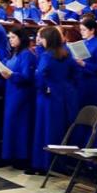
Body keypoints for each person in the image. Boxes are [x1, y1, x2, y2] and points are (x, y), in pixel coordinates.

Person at [30, 26, 78, 173]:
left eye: (42, 38)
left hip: (48, 96)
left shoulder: (46, 55)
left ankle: (44, 163)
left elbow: (40, 74)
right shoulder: (66, 53)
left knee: (45, 129)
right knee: (60, 129)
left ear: (47, 40)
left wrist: (43, 88)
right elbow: (74, 72)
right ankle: (59, 163)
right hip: (65, 95)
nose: (40, 41)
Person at [0, 28, 37, 169]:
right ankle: (11, 155)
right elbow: (4, 64)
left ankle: (22, 157)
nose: (11, 40)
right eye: (9, 38)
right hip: (12, 91)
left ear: (21, 38)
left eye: (13, 37)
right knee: (11, 123)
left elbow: (28, 76)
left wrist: (12, 76)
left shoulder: (27, 54)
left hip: (22, 94)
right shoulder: (14, 53)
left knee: (21, 125)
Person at [71, 16, 97, 111]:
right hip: (82, 81)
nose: (81, 32)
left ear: (92, 30)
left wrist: (84, 64)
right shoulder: (83, 42)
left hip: (93, 84)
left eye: (84, 30)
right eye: (81, 30)